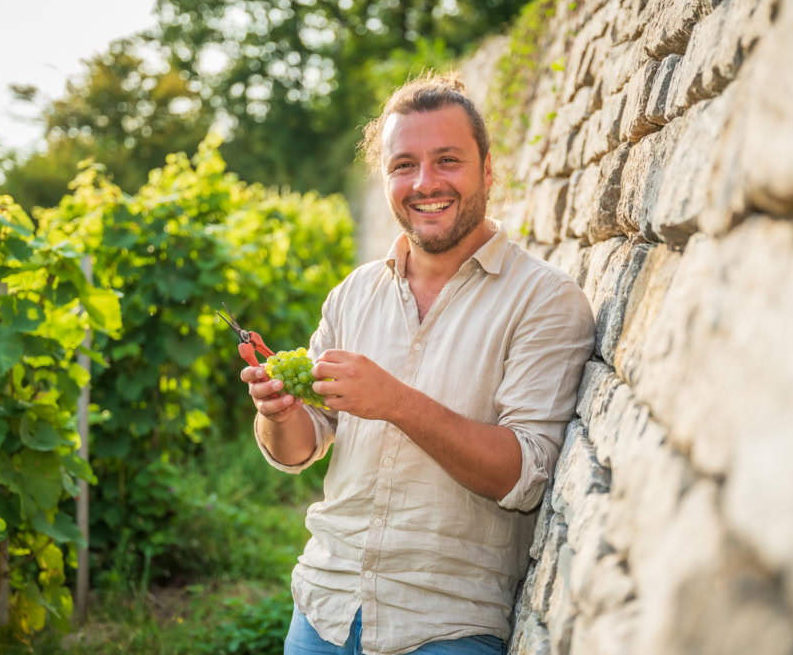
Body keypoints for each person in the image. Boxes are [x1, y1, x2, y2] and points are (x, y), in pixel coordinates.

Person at [240, 73, 595, 655]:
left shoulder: (544, 300)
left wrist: (398, 403)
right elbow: (300, 449)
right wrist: (277, 413)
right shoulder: (352, 294)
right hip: (322, 608)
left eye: (447, 160)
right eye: (403, 165)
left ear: (486, 167)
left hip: (445, 625)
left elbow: (524, 477)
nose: (424, 183)